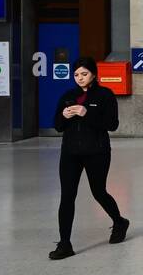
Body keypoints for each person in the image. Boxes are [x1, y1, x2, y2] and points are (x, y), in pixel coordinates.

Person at [50, 56, 129, 260]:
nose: (80, 78)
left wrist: (86, 113)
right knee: (67, 196)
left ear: (94, 74)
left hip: (97, 152)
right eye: (76, 75)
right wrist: (64, 116)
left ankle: (120, 222)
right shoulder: (68, 95)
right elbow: (58, 125)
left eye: (84, 74)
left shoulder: (105, 95)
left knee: (98, 191)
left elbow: (112, 124)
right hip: (70, 153)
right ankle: (65, 244)